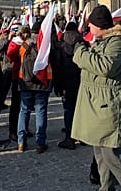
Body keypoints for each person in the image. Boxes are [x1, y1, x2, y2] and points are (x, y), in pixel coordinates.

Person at [72, 5, 121, 191]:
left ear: (99, 25)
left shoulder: (118, 43)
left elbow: (105, 67)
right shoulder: (103, 41)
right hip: (101, 107)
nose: (88, 29)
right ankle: (106, 188)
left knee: (114, 156)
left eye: (91, 25)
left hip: (112, 108)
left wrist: (80, 52)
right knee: (101, 154)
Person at [15, 21, 53, 153]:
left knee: (24, 111)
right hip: (42, 83)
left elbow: (18, 59)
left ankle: (21, 142)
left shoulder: (24, 45)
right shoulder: (45, 45)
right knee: (40, 112)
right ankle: (40, 143)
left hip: (25, 82)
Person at [51, 21, 83, 149]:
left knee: (68, 110)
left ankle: (69, 137)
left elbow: (57, 68)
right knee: (80, 109)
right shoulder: (82, 43)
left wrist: (57, 86)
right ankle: (81, 135)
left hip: (66, 84)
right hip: (80, 82)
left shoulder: (60, 46)